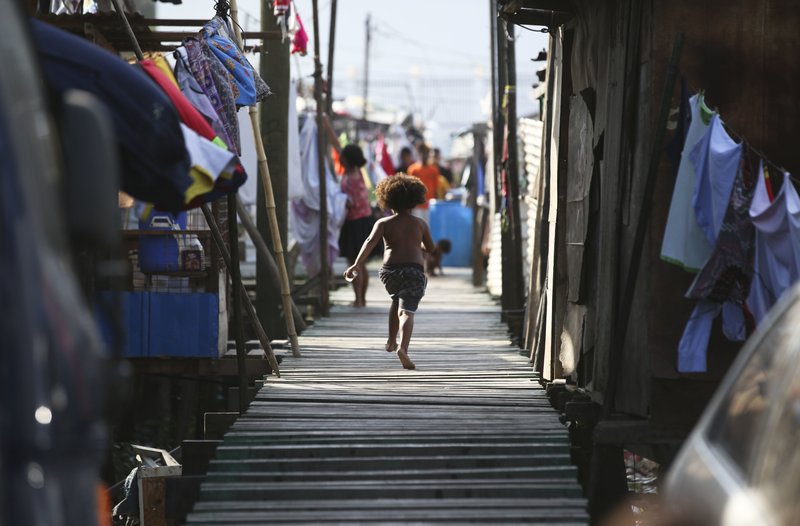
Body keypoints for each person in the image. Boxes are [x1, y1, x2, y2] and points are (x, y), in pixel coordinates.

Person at [344, 175, 435, 370]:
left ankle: (391, 339)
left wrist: (357, 265)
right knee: (407, 310)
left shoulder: (383, 223)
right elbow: (430, 248)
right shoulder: (420, 224)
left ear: (387, 200)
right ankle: (403, 348)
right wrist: (416, 245)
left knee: (396, 300)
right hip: (413, 272)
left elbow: (369, 242)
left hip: (390, 273)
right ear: (414, 201)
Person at [337, 144, 373, 307]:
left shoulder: (352, 177)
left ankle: (359, 299)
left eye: (343, 157)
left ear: (348, 159)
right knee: (358, 263)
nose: (340, 159)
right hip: (359, 222)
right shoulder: (356, 173)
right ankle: (360, 298)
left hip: (356, 223)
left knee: (356, 263)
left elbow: (352, 203)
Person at [406, 143, 442, 222]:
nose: (424, 155)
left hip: (430, 205)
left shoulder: (434, 170)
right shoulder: (413, 169)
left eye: (426, 153)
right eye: (422, 152)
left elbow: (436, 189)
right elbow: (410, 189)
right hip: (417, 206)